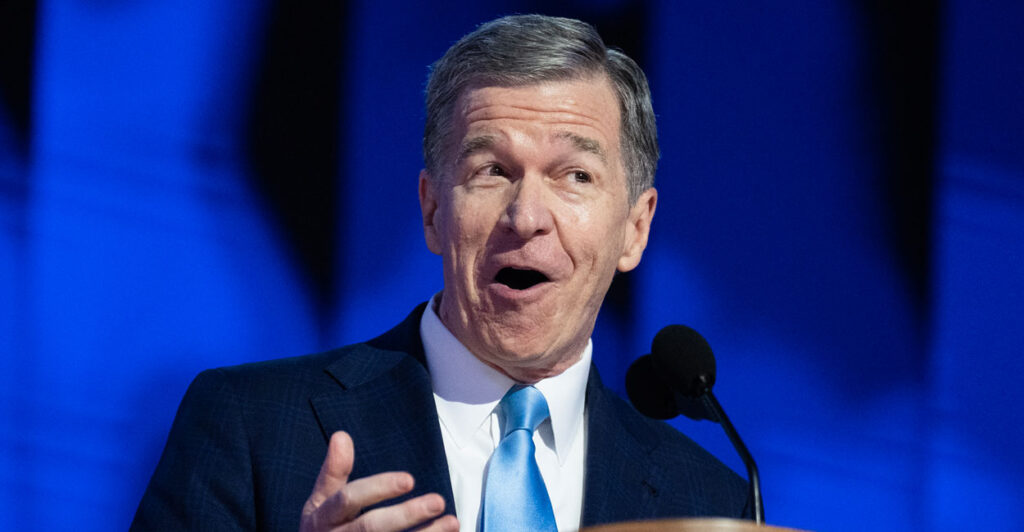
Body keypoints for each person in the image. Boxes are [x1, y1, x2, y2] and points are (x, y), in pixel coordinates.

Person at [131, 14, 748, 532]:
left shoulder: (713, 501)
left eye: (575, 176)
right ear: (432, 210)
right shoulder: (249, 425)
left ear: (634, 229)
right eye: (492, 170)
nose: (526, 216)